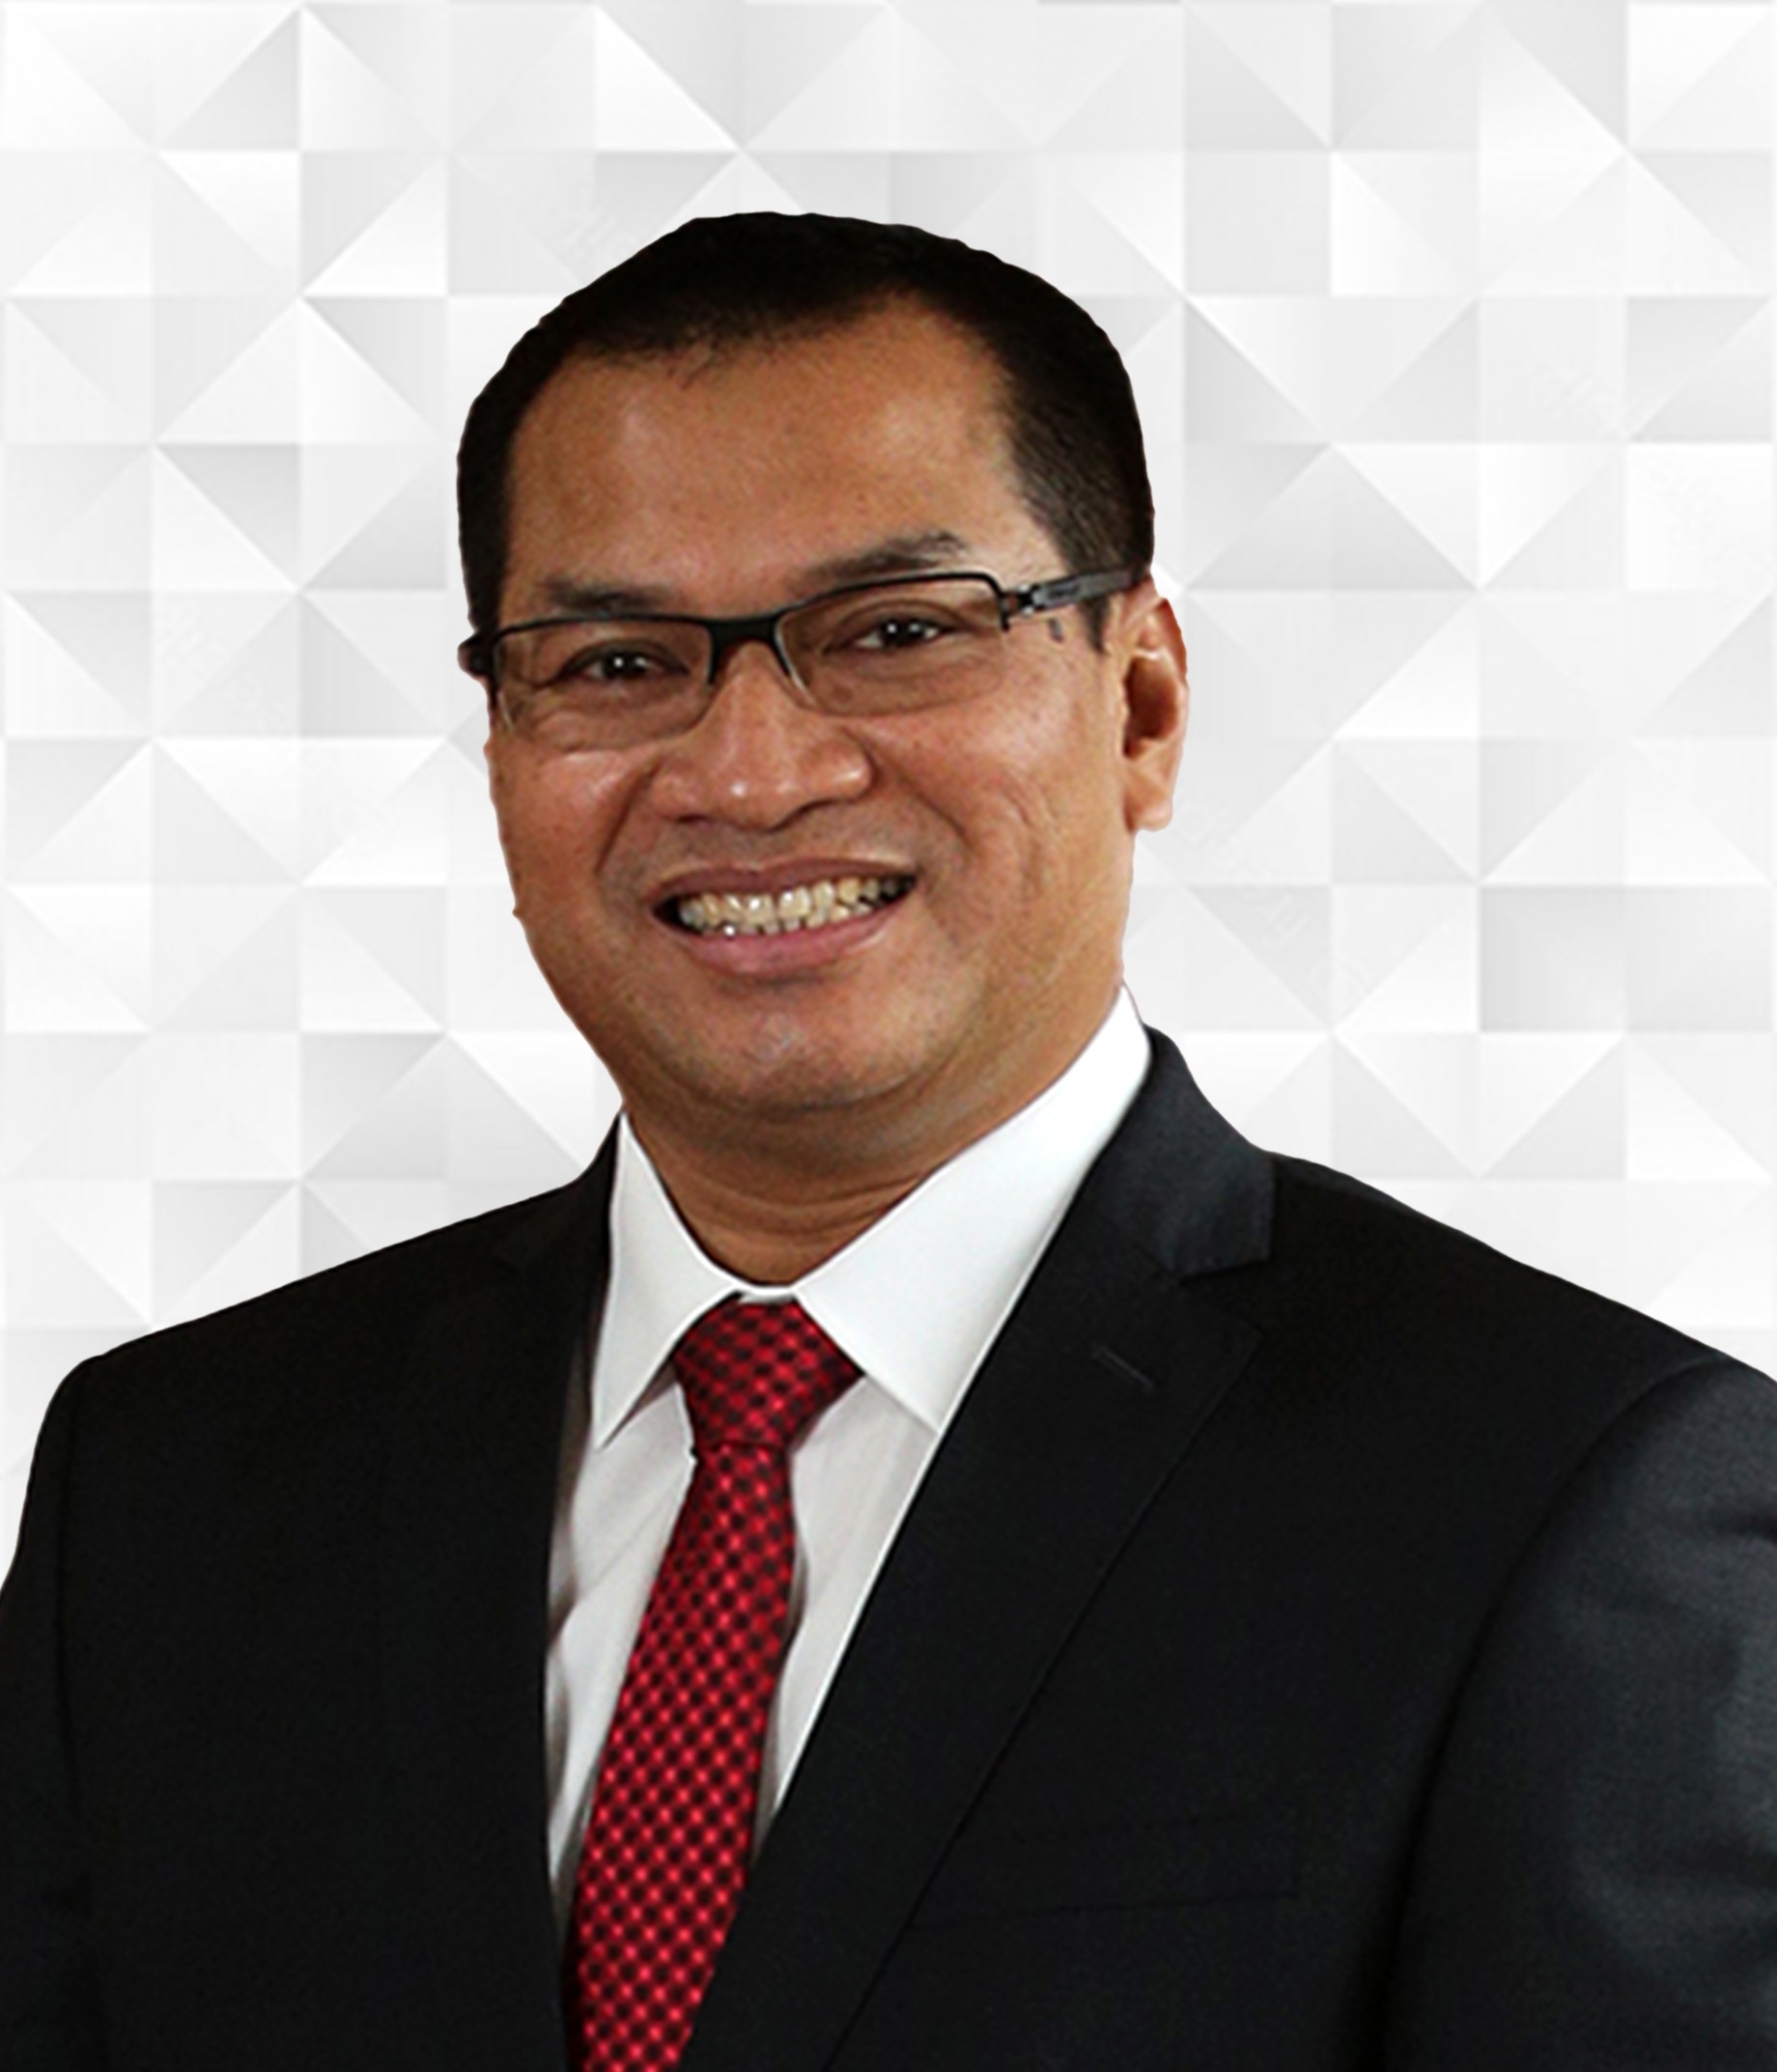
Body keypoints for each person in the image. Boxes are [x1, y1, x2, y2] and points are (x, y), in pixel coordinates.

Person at [1, 212, 1773, 2072]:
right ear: (505, 741)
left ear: (1143, 707)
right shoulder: (175, 1487)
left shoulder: (1563, 1495)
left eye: (900, 633)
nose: (753, 773)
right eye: (615, 660)